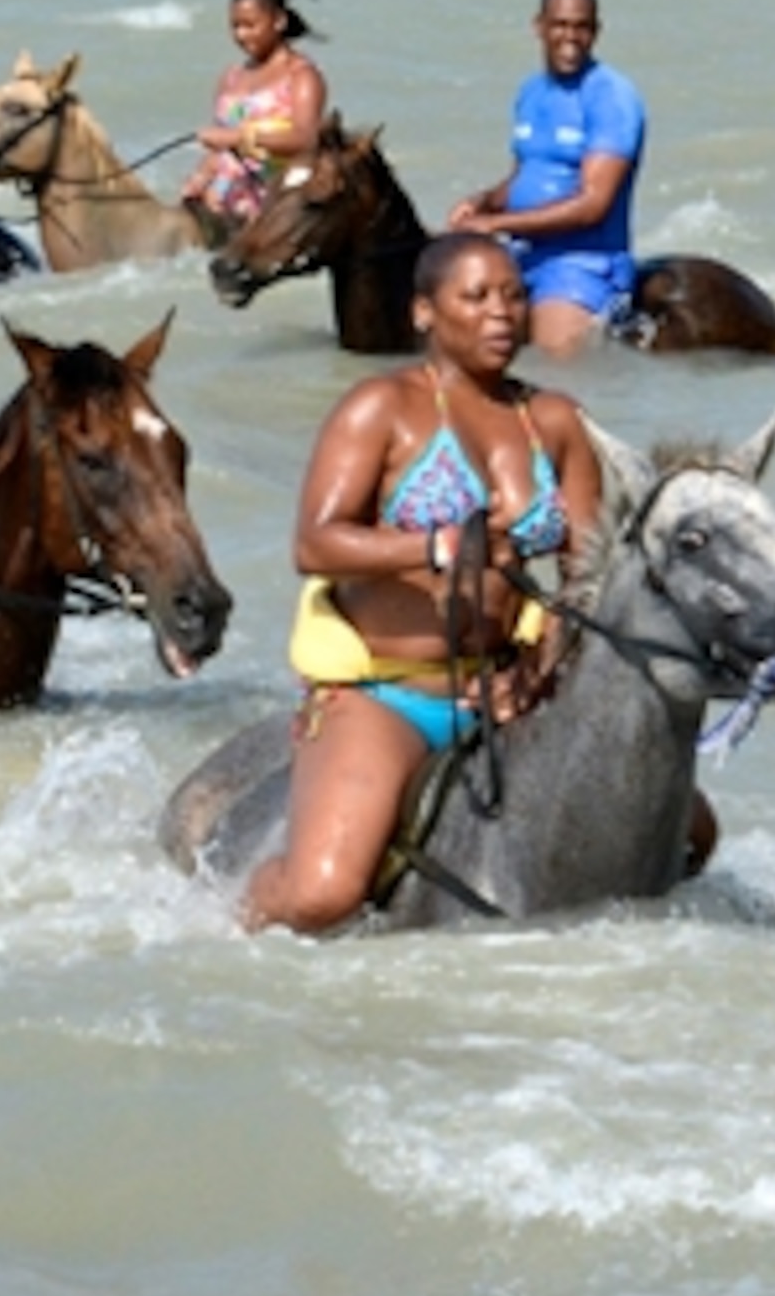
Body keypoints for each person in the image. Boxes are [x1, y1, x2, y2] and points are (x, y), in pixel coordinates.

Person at [245, 231, 602, 932]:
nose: (502, 313)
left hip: (510, 689)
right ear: (423, 314)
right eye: (475, 297)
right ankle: (233, 912)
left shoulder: (555, 421)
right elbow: (315, 542)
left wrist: (541, 667)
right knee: (324, 897)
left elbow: (587, 571)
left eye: (514, 295)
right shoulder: (381, 407)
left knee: (687, 834)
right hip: (391, 695)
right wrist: (430, 546)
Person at [448, 0, 644, 359]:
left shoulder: (612, 97)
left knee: (552, 366)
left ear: (596, 32)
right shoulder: (531, 92)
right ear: (539, 26)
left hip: (582, 264)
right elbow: (527, 175)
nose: (570, 37)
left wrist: (496, 225)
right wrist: (484, 202)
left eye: (581, 27)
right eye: (560, 25)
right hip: (522, 255)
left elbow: (593, 204)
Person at [182, 0, 327, 237]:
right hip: (223, 201)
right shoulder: (231, 77)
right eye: (235, 26)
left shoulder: (301, 76)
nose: (240, 35)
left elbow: (306, 140)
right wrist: (201, 176)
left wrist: (237, 137)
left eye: (250, 25)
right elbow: (220, 146)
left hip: (273, 206)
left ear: (279, 21)